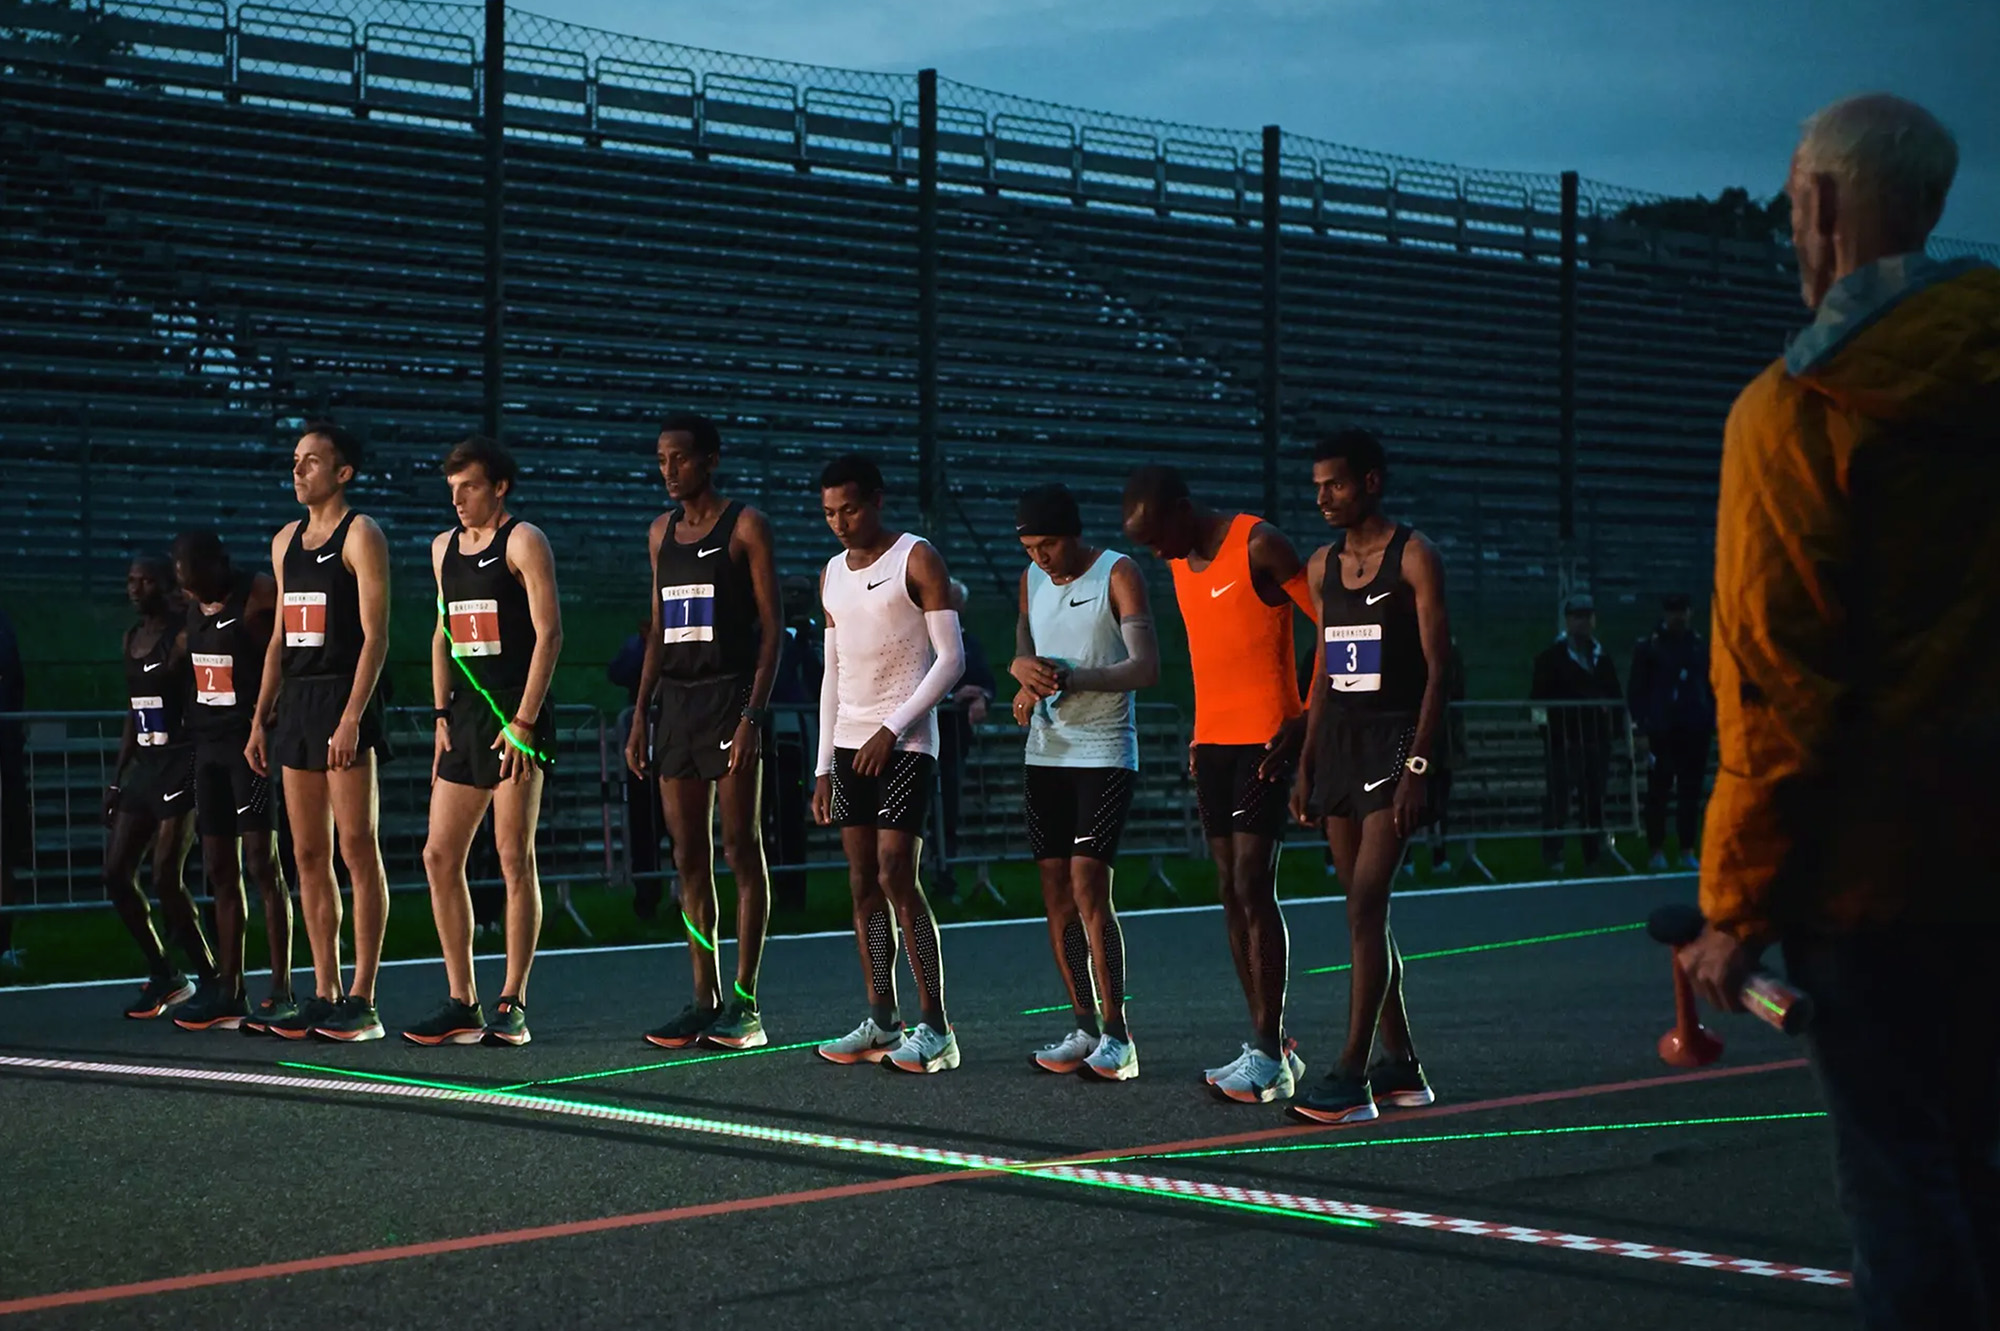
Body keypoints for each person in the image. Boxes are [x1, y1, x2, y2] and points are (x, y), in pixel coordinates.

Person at [1675, 94, 2000, 1330]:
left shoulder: (1794, 411)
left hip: (1877, 881)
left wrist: (1732, 910)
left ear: (1815, 204)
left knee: (1904, 1190)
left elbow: (1776, 688)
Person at [1122, 463, 1315, 1103]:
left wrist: (1308, 716)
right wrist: (1201, 734)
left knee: (1254, 885)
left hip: (1265, 737)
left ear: (1182, 508)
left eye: (1157, 536)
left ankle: (1269, 1050)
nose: (1155, 552)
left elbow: (1336, 625)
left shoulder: (1259, 543)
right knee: (1229, 891)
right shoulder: (1180, 561)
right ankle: (1268, 1042)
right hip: (1214, 745)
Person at [1287, 429, 1451, 1123]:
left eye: (1336, 484)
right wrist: (1306, 759)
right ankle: (1402, 1065)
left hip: (1395, 744)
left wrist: (1418, 764)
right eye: (1317, 485)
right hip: (1343, 749)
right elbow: (1325, 669)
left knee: (1364, 905)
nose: (1322, 496)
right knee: (1363, 912)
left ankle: (1352, 1073)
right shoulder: (1322, 563)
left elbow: (1441, 669)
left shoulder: (1415, 555)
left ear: (1372, 483)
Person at [626, 415, 782, 1052]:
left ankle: (746, 1002)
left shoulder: (745, 526)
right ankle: (703, 997)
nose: (669, 470)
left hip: (730, 697)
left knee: (739, 848)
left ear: (710, 461)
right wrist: (641, 712)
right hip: (678, 706)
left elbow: (772, 631)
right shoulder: (659, 531)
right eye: (662, 459)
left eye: (680, 459)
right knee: (687, 856)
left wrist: (751, 715)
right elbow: (659, 630)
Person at [404, 437, 563, 1048]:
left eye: (468, 487)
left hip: (513, 719)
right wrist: (440, 712)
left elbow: (549, 635)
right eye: (451, 489)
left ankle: (512, 1000)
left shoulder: (523, 541)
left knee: (512, 857)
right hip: (465, 719)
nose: (458, 500)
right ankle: (460, 999)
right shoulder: (442, 548)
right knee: (438, 855)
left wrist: (523, 722)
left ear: (498, 487)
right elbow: (442, 633)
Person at [811, 454, 966, 1074]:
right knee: (861, 883)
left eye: (849, 509)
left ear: (876, 500)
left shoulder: (916, 558)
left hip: (904, 742)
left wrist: (892, 727)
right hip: (849, 743)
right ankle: (881, 1014)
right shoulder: (830, 573)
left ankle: (937, 1026)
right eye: (828, 513)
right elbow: (833, 672)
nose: (839, 523)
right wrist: (823, 765)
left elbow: (949, 661)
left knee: (897, 871)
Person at [245, 422, 392, 1042]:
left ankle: (364, 997)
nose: (298, 470)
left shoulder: (362, 534)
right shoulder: (285, 541)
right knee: (306, 854)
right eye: (295, 460)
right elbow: (280, 636)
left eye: (312, 461)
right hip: (298, 704)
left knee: (356, 847)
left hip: (342, 693)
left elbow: (376, 635)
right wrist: (259, 715)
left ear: (343, 473)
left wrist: (353, 715)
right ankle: (325, 988)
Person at [1010, 483, 1158, 1081]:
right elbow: (1026, 648)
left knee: (1089, 884)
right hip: (1047, 751)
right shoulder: (1031, 578)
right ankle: (1083, 1025)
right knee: (1055, 893)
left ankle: (1119, 1034)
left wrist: (1075, 677)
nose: (1040, 557)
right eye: (1029, 547)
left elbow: (1145, 667)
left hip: (1103, 750)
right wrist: (1023, 676)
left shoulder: (1117, 572)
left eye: (1048, 545)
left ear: (1072, 534)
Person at [166, 532, 292, 1032]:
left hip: (249, 748)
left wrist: (272, 716)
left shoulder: (258, 592)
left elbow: (290, 637)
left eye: (199, 581)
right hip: (208, 750)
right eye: (187, 586)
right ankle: (229, 988)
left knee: (263, 862)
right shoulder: (192, 606)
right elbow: (180, 655)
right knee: (219, 866)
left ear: (220, 563)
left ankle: (281, 987)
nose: (195, 592)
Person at [105, 557, 214, 1018]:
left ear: (166, 585)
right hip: (146, 768)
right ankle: (166, 973)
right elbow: (135, 711)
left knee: (166, 875)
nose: (135, 587)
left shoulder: (182, 636)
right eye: (130, 580)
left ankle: (212, 978)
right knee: (115, 874)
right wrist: (116, 776)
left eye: (145, 580)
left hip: (181, 762)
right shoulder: (130, 639)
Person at [1529, 593, 1624, 874]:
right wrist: (1545, 732)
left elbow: (1614, 695)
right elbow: (1537, 701)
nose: (1583, 622)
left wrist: (1615, 728)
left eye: (1587, 616)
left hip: (1596, 740)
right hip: (1563, 741)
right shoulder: (1549, 658)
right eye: (1577, 617)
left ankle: (1592, 854)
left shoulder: (1601, 657)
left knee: (1593, 799)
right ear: (1568, 621)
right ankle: (1554, 853)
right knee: (1558, 800)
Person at [1627, 592, 1713, 871]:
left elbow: (1710, 685)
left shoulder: (1700, 646)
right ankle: (1656, 850)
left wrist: (1710, 717)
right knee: (1659, 791)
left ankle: (1687, 848)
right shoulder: (1649, 647)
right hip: (1661, 729)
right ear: (1665, 614)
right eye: (1673, 611)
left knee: (1691, 791)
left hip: (1694, 727)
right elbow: (1637, 690)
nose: (1679, 616)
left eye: (1683, 610)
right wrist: (1640, 727)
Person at [936, 577, 997, 888]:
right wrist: (951, 698)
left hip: (953, 738)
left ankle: (944, 875)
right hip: (920, 737)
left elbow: (987, 680)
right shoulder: (922, 640)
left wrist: (981, 696)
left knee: (947, 806)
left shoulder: (969, 644)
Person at [607, 613, 665, 910]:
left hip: (673, 739)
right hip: (642, 747)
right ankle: (647, 896)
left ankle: (685, 893)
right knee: (644, 828)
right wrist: (643, 647)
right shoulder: (635, 647)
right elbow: (616, 672)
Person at [0, 606, 26, 973]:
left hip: (5, 753)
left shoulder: (4, 622)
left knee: (3, 851)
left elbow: (15, 682)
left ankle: (4, 942)